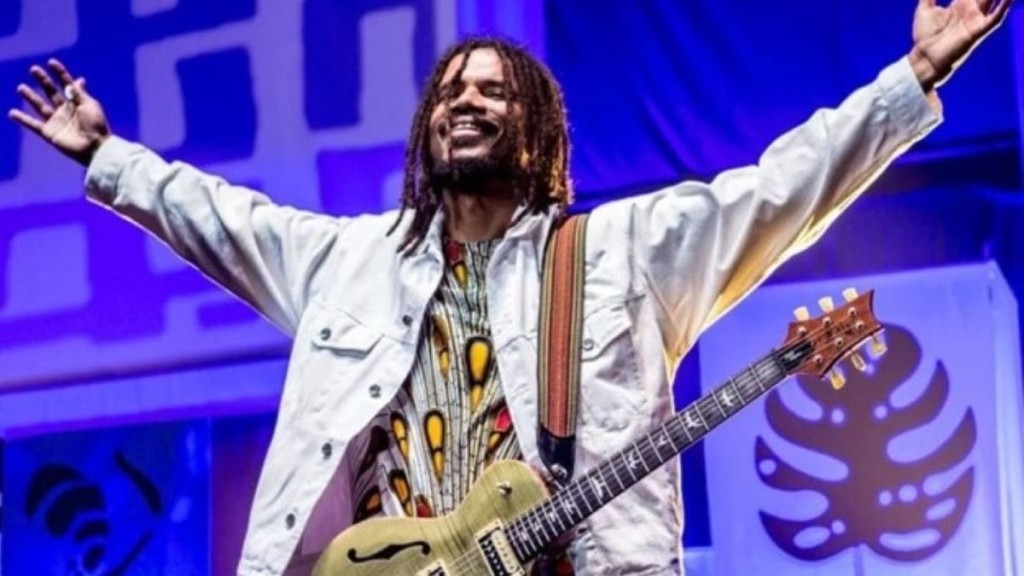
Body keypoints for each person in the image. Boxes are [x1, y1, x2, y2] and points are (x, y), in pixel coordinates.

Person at [7, 0, 1013, 574]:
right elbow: (219, 217)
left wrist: (913, 75)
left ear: (534, 129)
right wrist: (108, 158)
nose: (466, 101)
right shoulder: (344, 261)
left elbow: (781, 188)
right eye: (451, 91)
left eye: (493, 90)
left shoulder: (624, 252)